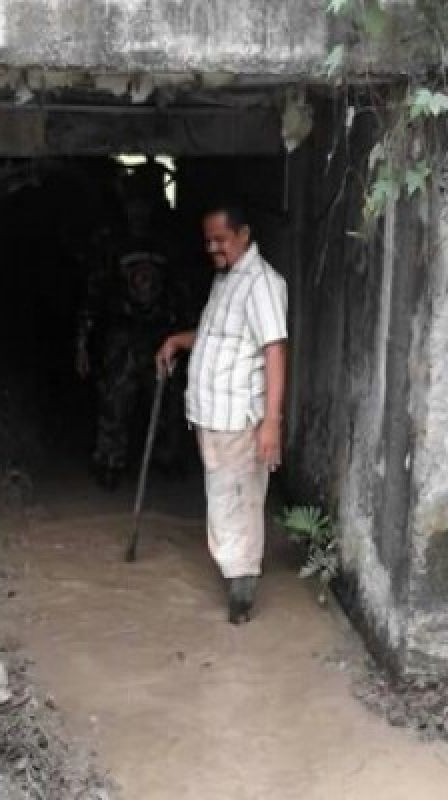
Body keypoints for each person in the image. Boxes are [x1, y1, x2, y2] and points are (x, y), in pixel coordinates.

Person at [156, 205, 288, 624]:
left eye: (221, 239)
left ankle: (241, 597)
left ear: (244, 234)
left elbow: (274, 350)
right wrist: (178, 340)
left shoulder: (262, 284)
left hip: (239, 419)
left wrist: (271, 422)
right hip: (212, 416)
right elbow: (217, 337)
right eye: (208, 240)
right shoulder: (226, 280)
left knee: (240, 501)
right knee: (222, 497)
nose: (213, 247)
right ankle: (235, 577)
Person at [75, 173, 189, 490]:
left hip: (159, 335)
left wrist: (181, 336)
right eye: (133, 204)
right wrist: (83, 343)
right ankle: (110, 462)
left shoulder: (166, 244)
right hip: (121, 336)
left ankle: (167, 460)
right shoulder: (112, 243)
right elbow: (93, 294)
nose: (138, 212)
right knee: (115, 402)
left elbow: (180, 291)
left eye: (143, 204)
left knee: (165, 400)